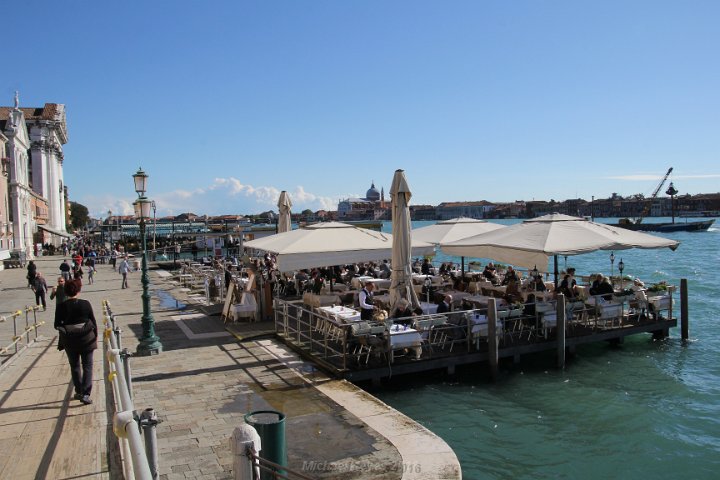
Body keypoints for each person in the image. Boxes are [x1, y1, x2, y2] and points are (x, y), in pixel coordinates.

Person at [54, 279, 97, 405]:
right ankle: (86, 394)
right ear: (79, 290)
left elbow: (56, 325)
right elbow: (93, 322)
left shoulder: (61, 306)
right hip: (87, 340)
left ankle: (79, 391)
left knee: (75, 366)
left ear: (66, 292)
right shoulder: (85, 304)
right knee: (88, 366)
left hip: (69, 341)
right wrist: (95, 337)